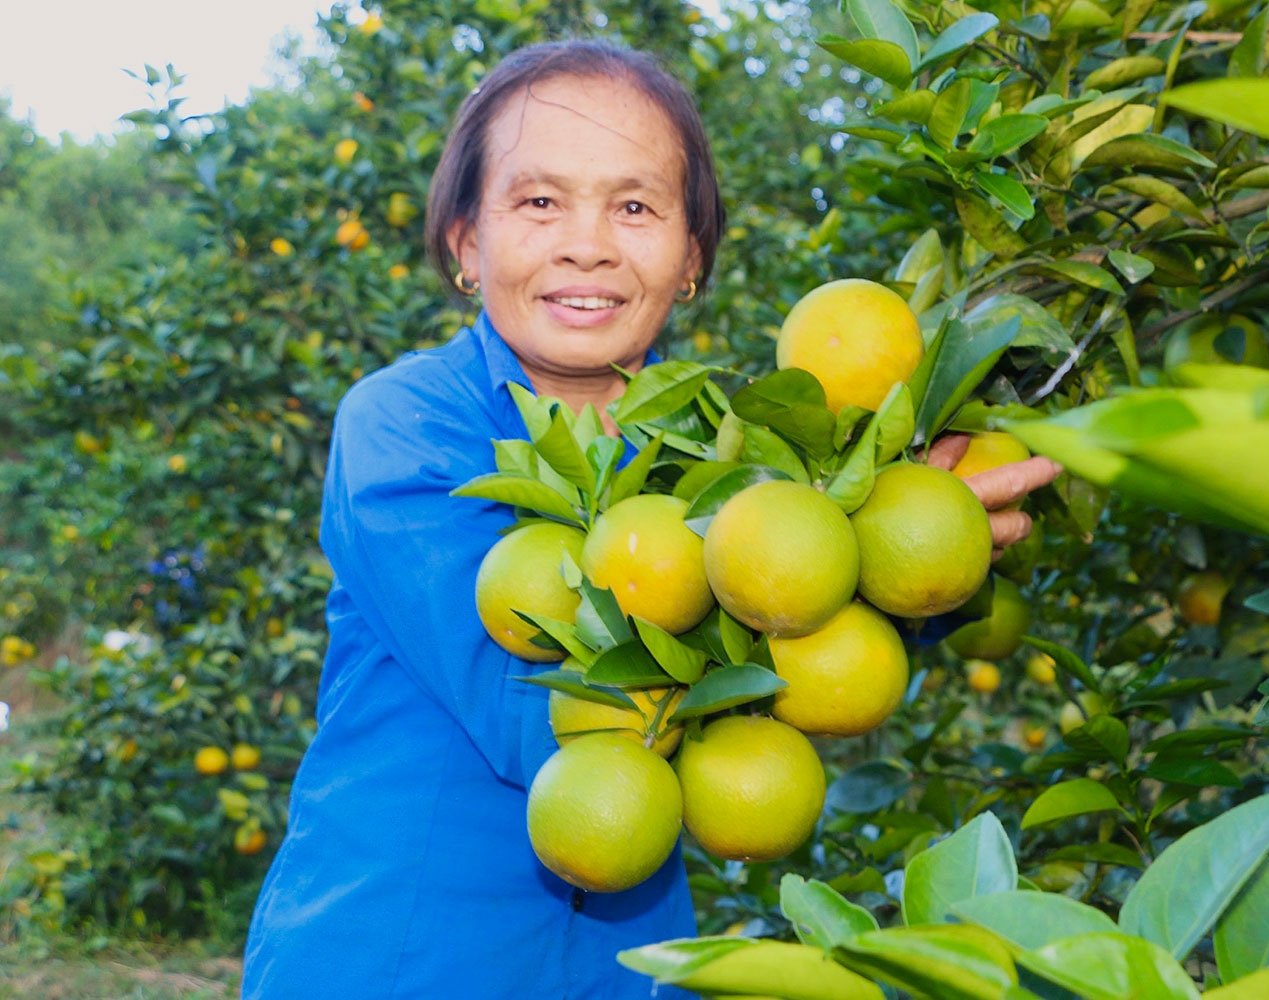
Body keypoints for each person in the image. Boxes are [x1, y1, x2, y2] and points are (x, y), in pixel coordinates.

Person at [242, 38, 1061, 999]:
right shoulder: (407, 425)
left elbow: (794, 668)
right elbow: (547, 711)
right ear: (467, 242)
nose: (587, 243)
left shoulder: (729, 467)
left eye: (634, 206)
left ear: (690, 261)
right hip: (395, 957)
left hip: (626, 970)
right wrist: (829, 559)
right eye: (539, 201)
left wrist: (903, 548)